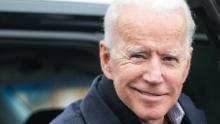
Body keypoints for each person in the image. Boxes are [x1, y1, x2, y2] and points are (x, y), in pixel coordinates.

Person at [51, 0, 207, 124]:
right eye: (139, 56)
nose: (154, 77)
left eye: (169, 58)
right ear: (107, 59)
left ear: (186, 66)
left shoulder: (190, 113)